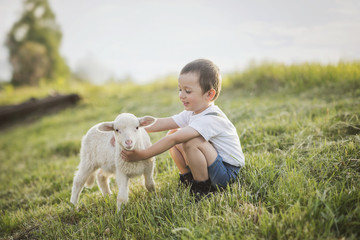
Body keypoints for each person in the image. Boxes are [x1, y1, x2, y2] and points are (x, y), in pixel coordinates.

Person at [121, 59, 245, 199]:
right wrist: (131, 127)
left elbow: (174, 140)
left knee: (191, 142)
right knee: (174, 131)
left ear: (209, 94)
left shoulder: (211, 118)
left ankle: (203, 189)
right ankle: (188, 179)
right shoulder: (193, 112)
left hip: (227, 172)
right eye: (180, 89)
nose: (181, 95)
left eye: (188, 91)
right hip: (215, 162)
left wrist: (143, 154)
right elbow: (162, 123)